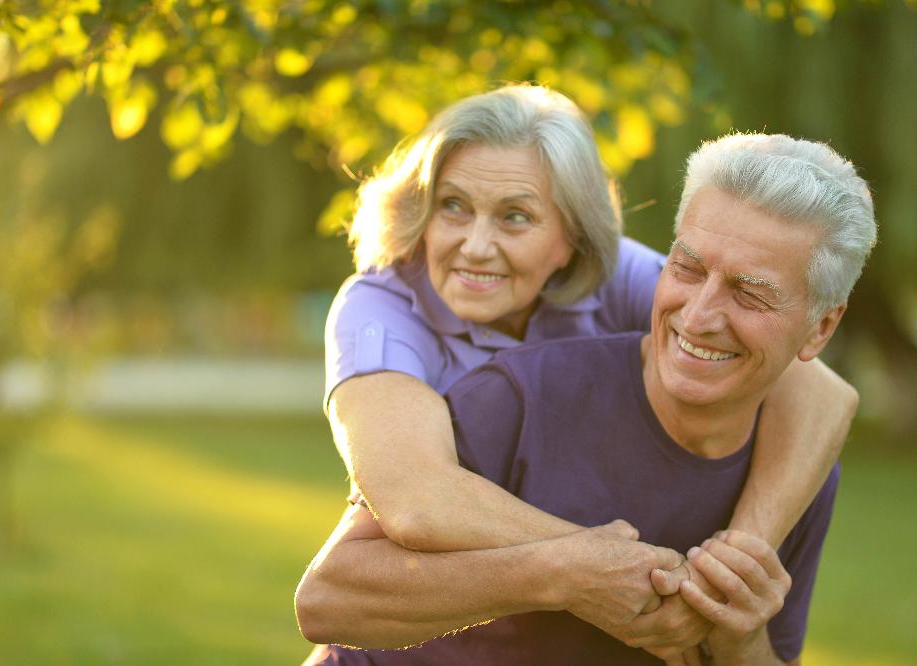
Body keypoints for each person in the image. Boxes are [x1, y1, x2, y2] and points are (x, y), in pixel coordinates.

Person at [296, 132, 878, 664]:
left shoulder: (795, 474)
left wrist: (739, 636)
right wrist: (563, 573)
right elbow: (326, 599)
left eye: (750, 295)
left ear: (820, 330)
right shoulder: (517, 395)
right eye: (687, 268)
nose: (698, 316)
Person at [322, 84, 856, 566]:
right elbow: (419, 503)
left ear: (572, 236)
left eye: (515, 216)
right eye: (453, 207)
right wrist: (610, 566)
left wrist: (744, 553)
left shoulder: (614, 272)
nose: (476, 245)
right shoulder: (379, 307)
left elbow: (820, 392)